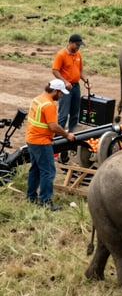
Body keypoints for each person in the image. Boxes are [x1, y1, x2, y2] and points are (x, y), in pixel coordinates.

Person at [26, 79, 76, 211]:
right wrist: (67, 135)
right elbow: (53, 126)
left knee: (35, 169)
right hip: (41, 142)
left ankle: (31, 197)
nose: (61, 96)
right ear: (54, 91)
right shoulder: (49, 105)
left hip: (31, 139)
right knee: (48, 171)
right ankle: (45, 202)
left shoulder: (37, 99)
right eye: (60, 93)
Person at [52, 33, 89, 132]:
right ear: (70, 43)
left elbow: (80, 70)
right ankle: (58, 136)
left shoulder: (78, 55)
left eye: (80, 45)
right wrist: (65, 82)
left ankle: (71, 134)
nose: (78, 47)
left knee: (75, 114)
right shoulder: (61, 55)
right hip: (65, 88)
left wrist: (86, 80)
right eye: (77, 45)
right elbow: (55, 70)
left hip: (76, 87)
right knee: (63, 114)